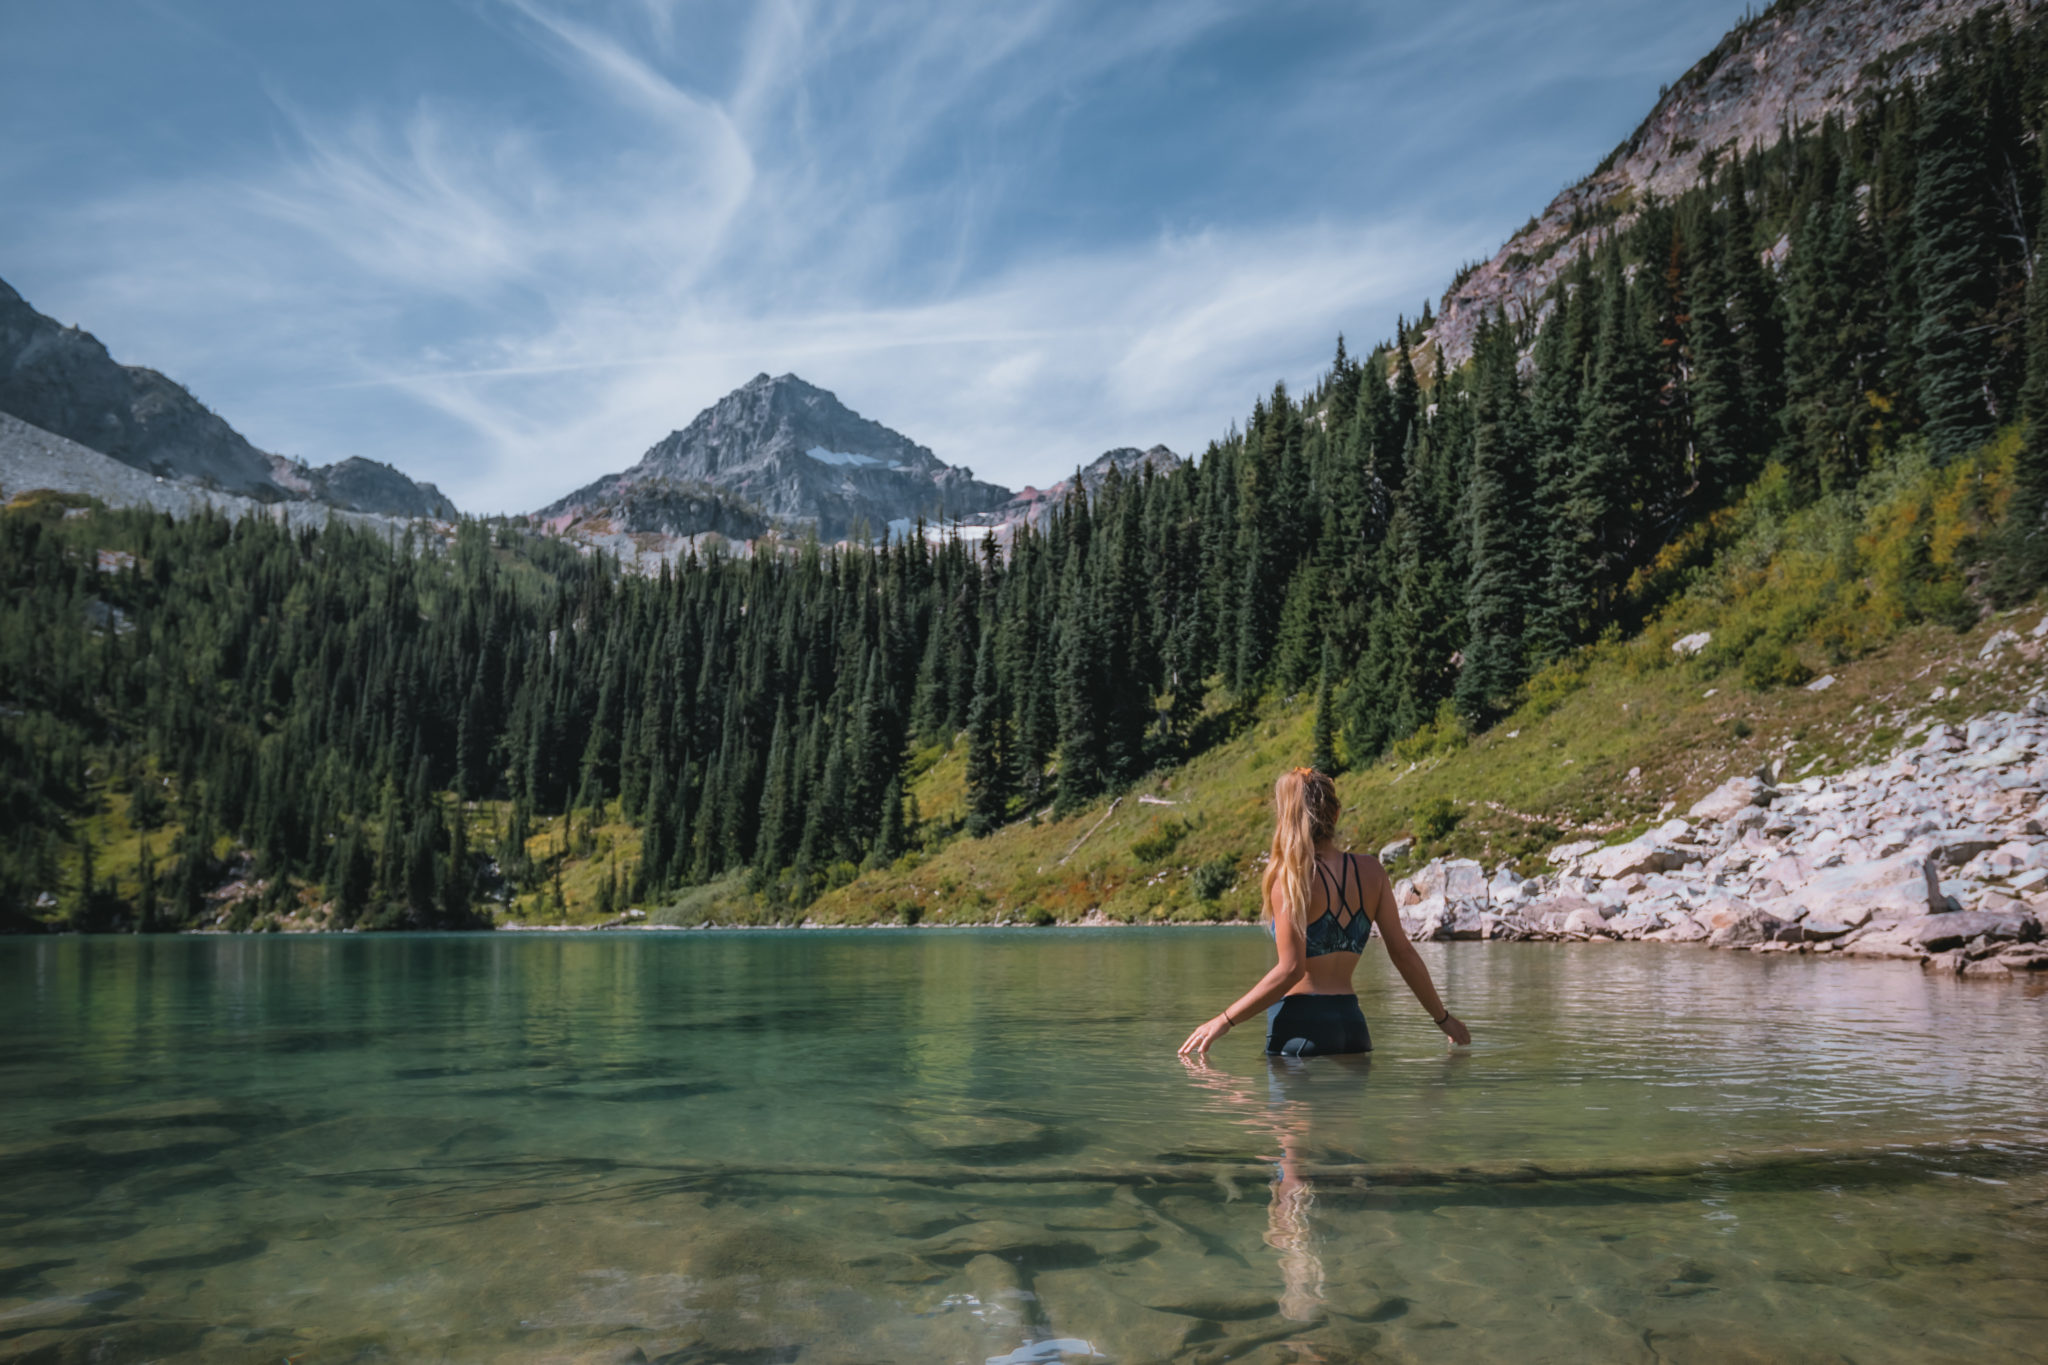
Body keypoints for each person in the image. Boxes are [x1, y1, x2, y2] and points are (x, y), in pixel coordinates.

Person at [1178, 766, 1471, 1057]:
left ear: (1286, 817)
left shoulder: (1292, 878)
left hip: (1299, 1028)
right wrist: (1443, 1019)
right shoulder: (1372, 871)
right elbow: (1403, 953)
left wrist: (1224, 1020)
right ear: (1336, 813)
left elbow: (1291, 970)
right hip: (1353, 1028)